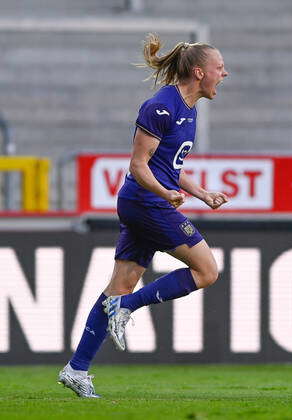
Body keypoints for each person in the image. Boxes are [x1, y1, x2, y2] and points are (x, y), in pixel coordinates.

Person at [58, 33, 229, 398]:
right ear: (200, 72)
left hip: (149, 202)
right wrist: (164, 193)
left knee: (119, 284)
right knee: (206, 270)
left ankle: (77, 369)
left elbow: (169, 165)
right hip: (145, 203)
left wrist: (201, 192)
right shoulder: (161, 107)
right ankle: (127, 307)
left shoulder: (188, 108)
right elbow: (138, 165)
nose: (224, 74)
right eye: (219, 68)